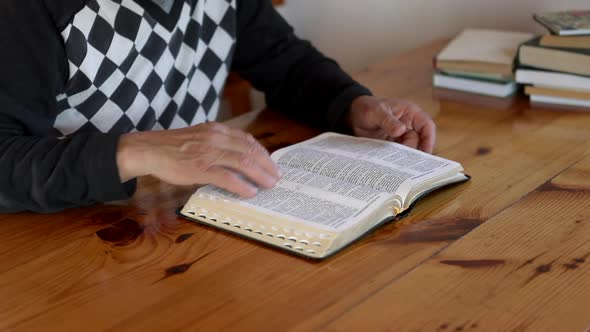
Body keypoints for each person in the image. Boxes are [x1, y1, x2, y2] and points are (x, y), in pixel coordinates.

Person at [0, 0, 435, 213]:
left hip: (183, 219)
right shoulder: (28, 10)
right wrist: (136, 151)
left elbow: (284, 60)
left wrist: (351, 104)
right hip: (59, 241)